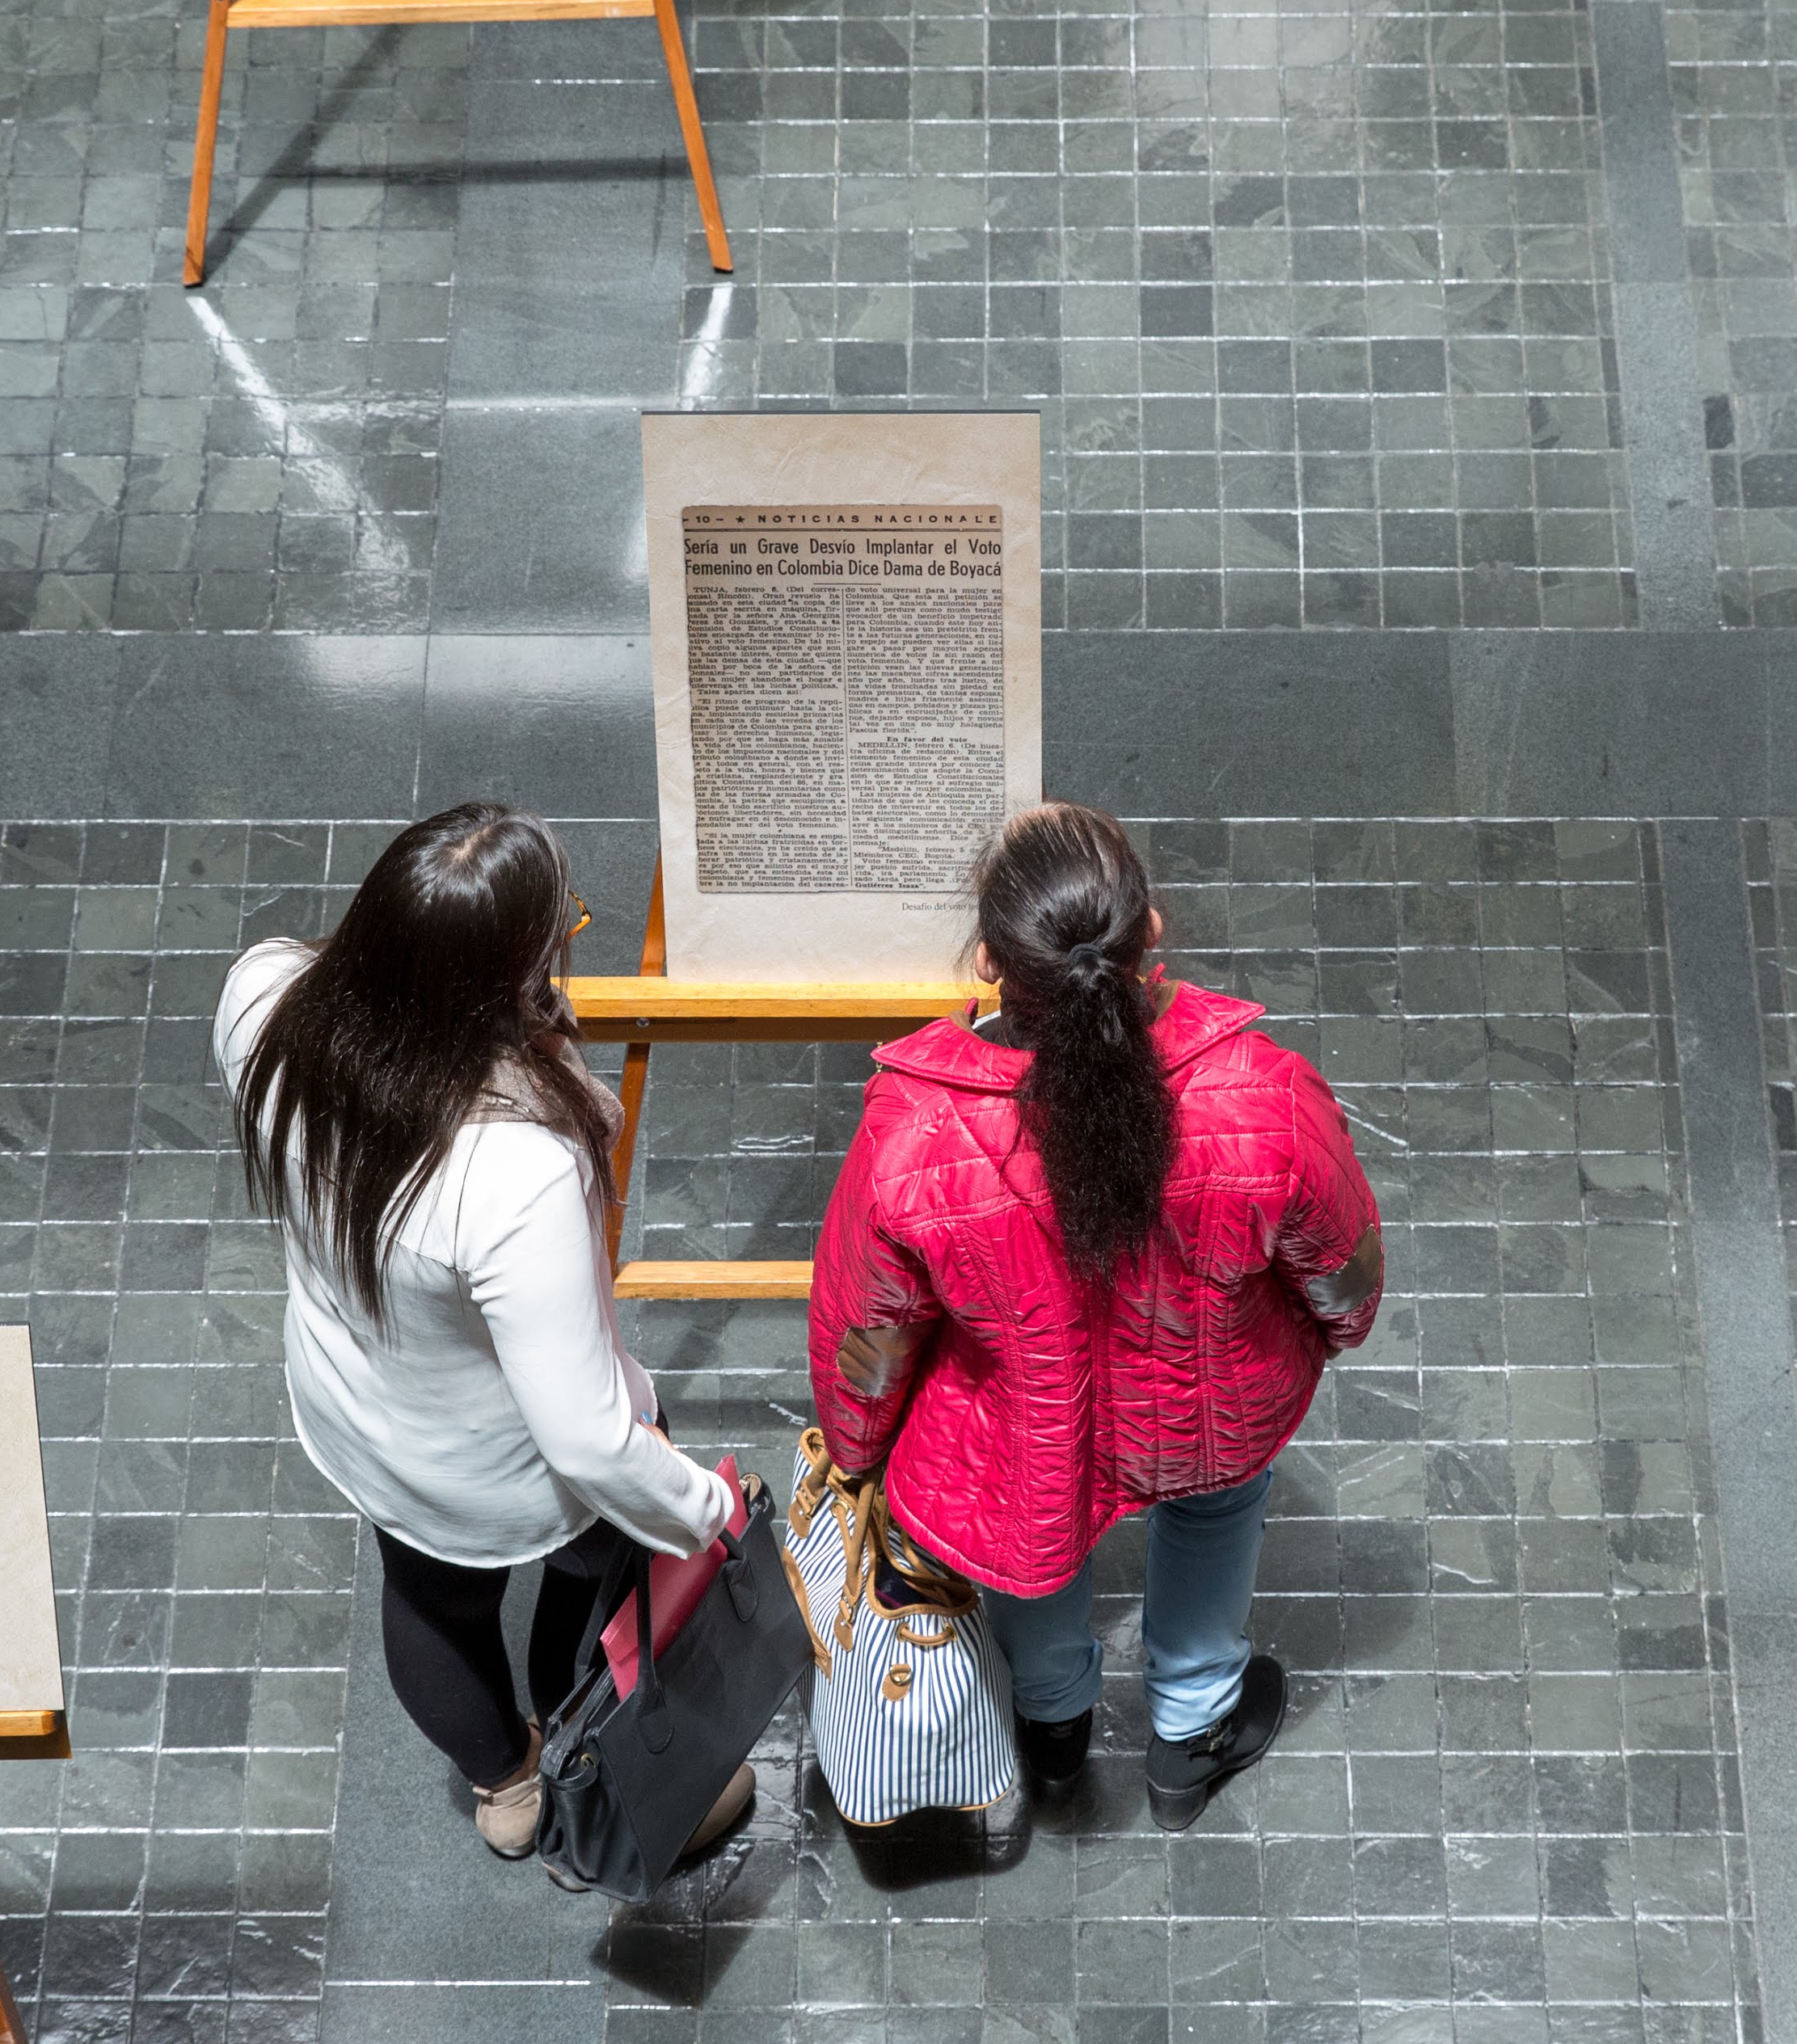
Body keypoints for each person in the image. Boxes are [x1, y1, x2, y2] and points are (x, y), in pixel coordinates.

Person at [808, 801, 1384, 1828]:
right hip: (1215, 1403)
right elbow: (1340, 1268)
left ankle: (1053, 1726)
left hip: (1023, 1428)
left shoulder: (915, 1131)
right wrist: (1331, 1331)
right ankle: (1190, 1730)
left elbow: (871, 1330)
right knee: (1212, 1511)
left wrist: (856, 1447)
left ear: (987, 961)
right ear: (1148, 932)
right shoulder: (1260, 1089)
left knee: (1035, 1534)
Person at [218, 802, 750, 1871]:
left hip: (358, 1405)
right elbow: (590, 1441)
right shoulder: (513, 1171)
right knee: (605, 1550)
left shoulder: (262, 994)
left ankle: (507, 1787)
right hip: (497, 1460)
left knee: (425, 1595)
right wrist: (706, 1510)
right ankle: (579, 1714)